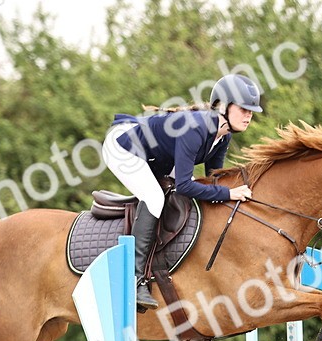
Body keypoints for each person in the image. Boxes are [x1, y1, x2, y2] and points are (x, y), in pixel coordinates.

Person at [103, 74, 262, 309]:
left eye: (251, 111)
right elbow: (185, 185)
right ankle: (134, 279)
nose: (249, 115)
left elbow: (212, 180)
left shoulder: (223, 136)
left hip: (156, 155)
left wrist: (232, 194)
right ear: (223, 106)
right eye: (244, 109)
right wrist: (229, 193)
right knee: (154, 197)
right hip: (123, 147)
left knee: (189, 194)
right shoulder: (196, 128)